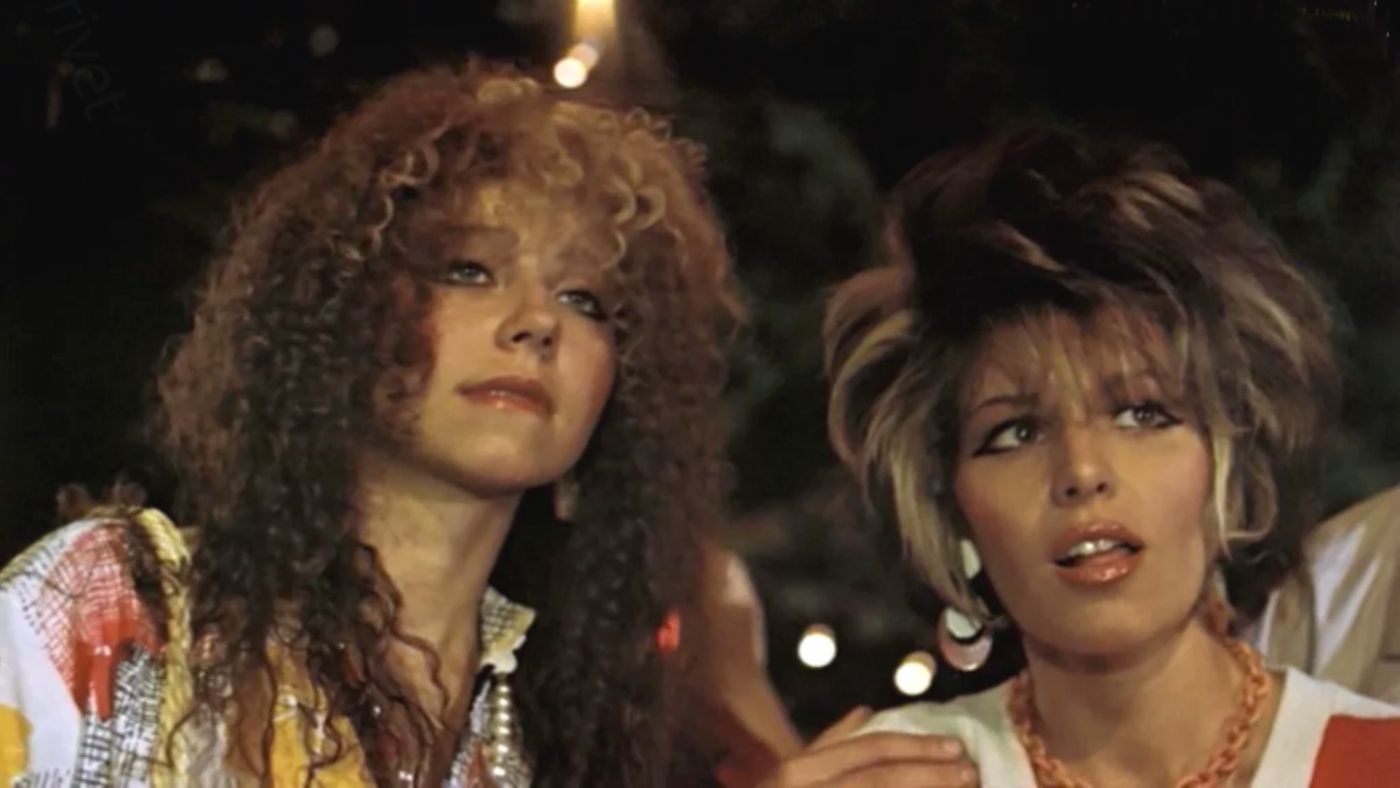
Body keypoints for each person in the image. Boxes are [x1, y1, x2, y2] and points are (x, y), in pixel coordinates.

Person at [0, 60, 748, 786]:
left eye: (584, 300)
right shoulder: (121, 609)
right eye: (468, 270)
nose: (536, 323)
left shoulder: (569, 747)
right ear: (343, 318)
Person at [818, 124, 1400, 785]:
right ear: (950, 504)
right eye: (1015, 433)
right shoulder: (893, 772)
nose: (1082, 472)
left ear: (1229, 457)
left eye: (1141, 414)